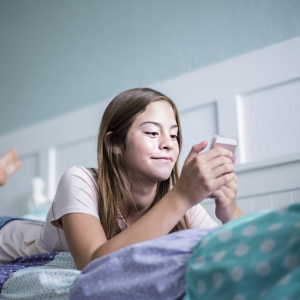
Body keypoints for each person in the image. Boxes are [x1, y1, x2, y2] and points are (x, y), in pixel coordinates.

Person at [0, 88, 242, 269]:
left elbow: (246, 248)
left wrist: (229, 209)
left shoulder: (178, 201)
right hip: (10, 236)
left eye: (174, 135)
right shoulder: (79, 180)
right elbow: (93, 264)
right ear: (114, 143)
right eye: (152, 132)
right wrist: (181, 196)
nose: (168, 143)